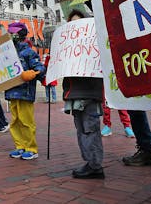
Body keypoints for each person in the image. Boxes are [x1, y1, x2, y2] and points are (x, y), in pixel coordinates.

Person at [61, 9, 104, 178]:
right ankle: (90, 162)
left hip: (89, 94)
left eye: (78, 23)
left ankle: (95, 165)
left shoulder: (94, 45)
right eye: (71, 23)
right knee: (81, 129)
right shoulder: (68, 47)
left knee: (90, 129)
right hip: (75, 94)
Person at [3, 21, 45, 160]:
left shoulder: (28, 52)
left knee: (26, 121)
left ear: (19, 34)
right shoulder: (7, 52)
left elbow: (39, 67)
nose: (9, 36)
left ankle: (31, 148)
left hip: (25, 92)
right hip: (11, 91)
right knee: (15, 121)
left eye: (12, 33)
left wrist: (34, 73)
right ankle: (20, 146)